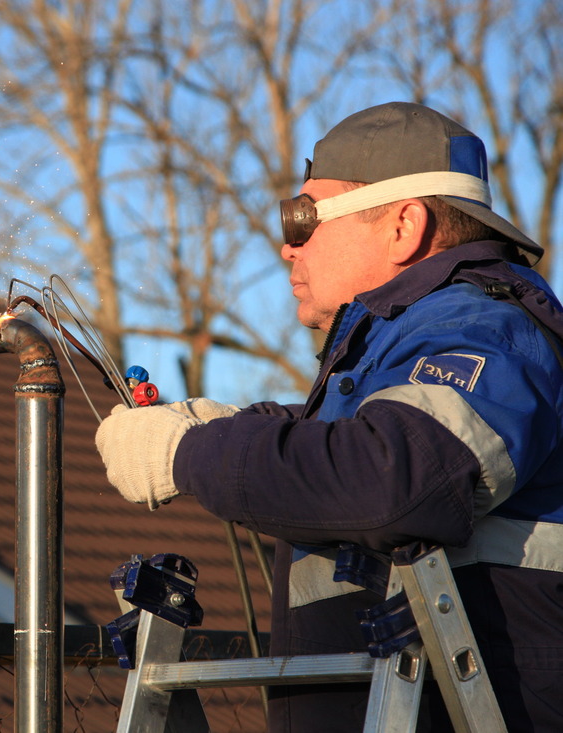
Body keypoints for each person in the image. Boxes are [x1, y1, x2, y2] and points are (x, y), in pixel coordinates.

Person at [95, 101, 563, 732]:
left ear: (404, 226)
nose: (288, 247)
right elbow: (348, 443)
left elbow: (395, 476)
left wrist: (189, 453)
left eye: (305, 218)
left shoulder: (488, 331)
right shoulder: (405, 348)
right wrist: (222, 425)